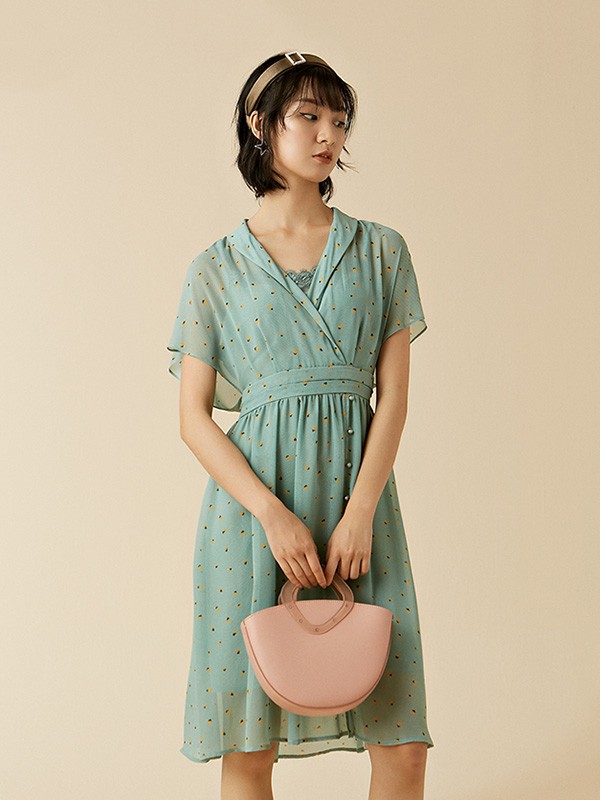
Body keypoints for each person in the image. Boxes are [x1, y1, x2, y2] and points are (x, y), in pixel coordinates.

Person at [166, 51, 434, 800]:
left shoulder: (381, 250)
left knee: (402, 740)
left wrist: (360, 512)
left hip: (361, 510)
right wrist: (272, 515)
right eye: (308, 116)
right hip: (252, 518)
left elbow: (393, 399)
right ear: (261, 125)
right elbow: (192, 419)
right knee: (248, 746)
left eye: (339, 120)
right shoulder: (214, 269)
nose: (328, 135)